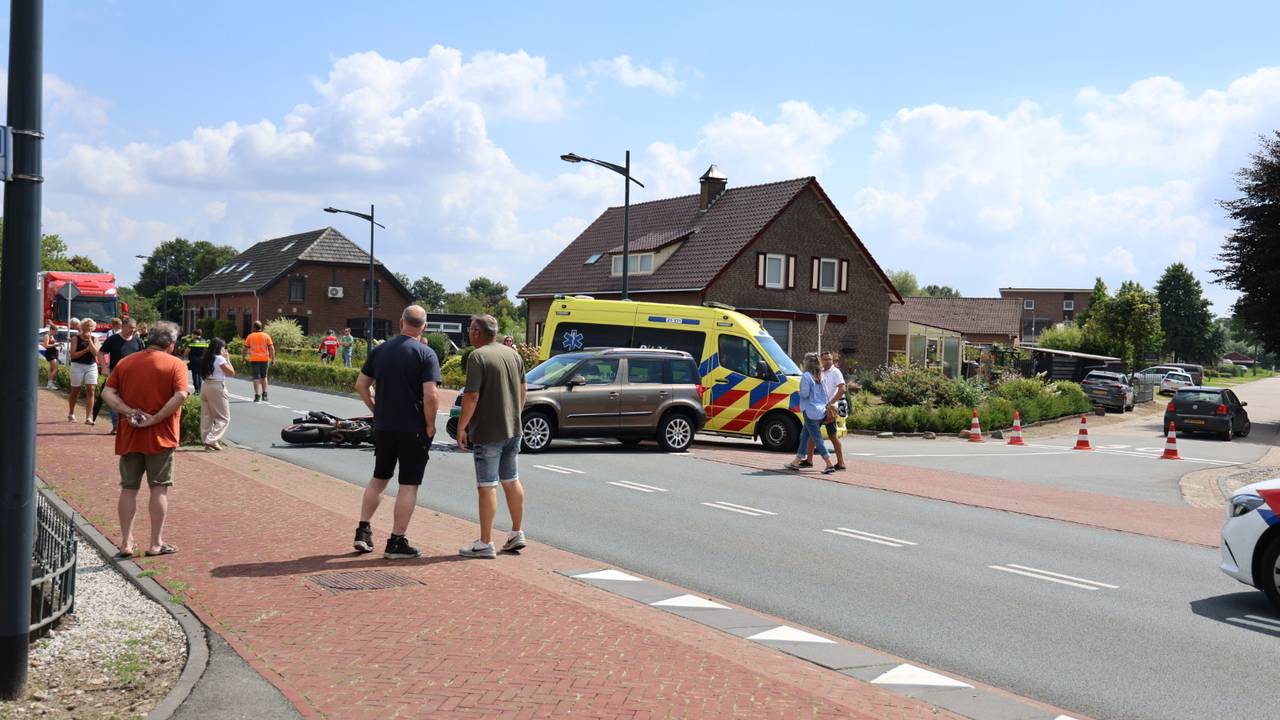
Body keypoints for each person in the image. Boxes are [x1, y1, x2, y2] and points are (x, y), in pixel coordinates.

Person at [352, 306, 440, 559]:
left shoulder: (380, 350)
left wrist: (375, 408)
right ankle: (396, 541)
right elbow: (431, 394)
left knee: (379, 478)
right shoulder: (426, 354)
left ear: (401, 322)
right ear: (424, 326)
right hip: (413, 428)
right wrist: (430, 424)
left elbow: (361, 384)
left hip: (384, 426)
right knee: (408, 484)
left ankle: (363, 530)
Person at [100, 322, 189, 558]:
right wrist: (155, 418)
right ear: (171, 344)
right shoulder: (176, 364)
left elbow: (107, 392)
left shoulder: (126, 362)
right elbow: (181, 395)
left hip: (130, 434)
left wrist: (129, 412)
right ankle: (155, 543)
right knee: (159, 488)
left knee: (128, 488)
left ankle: (126, 543)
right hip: (162, 436)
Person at [456, 315, 527, 559]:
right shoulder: (513, 355)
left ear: (477, 332)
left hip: (487, 431)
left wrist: (462, 427)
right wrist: (515, 415)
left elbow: (471, 396)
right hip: (513, 429)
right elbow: (523, 389)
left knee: (487, 486)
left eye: (470, 329)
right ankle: (517, 532)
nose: (468, 333)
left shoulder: (477, 357)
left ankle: (485, 542)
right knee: (511, 479)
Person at [785, 353, 836, 474]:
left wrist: (799, 392)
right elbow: (825, 394)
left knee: (817, 439)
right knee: (804, 435)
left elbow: (805, 394)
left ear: (807, 363)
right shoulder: (821, 375)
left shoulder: (807, 376)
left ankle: (829, 464)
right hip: (821, 411)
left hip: (810, 411)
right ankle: (796, 461)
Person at [96, 317, 144, 434]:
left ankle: (130, 423)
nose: (132, 330)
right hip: (116, 373)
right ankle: (116, 425)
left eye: (134, 328)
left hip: (133, 375)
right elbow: (100, 353)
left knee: (132, 399)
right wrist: (105, 367)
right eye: (130, 328)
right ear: (123, 326)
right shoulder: (113, 339)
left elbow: (143, 356)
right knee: (114, 398)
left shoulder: (137, 341)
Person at [802, 351, 847, 470]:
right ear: (820, 360)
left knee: (833, 436)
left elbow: (842, 389)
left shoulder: (835, 372)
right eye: (825, 359)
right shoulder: (819, 371)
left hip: (829, 410)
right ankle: (809, 460)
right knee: (812, 433)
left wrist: (831, 403)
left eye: (830, 359)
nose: (828, 361)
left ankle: (841, 463)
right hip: (818, 408)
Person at [196, 338, 236, 450]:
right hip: (217, 386)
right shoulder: (220, 359)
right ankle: (211, 439)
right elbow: (231, 372)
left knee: (207, 415)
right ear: (219, 348)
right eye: (223, 347)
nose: (224, 350)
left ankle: (206, 440)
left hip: (205, 386)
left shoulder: (206, 358)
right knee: (224, 418)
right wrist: (227, 359)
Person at [67, 318, 101, 424]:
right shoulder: (75, 338)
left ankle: (88, 417)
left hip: (91, 366)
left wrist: (90, 340)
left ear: (93, 328)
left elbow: (96, 353)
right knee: (75, 390)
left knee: (91, 389)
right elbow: (73, 355)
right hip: (77, 365)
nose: (89, 328)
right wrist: (86, 350)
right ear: (82, 327)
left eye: (91, 326)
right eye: (86, 325)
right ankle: (71, 413)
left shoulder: (95, 339)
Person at [243, 321, 275, 402]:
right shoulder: (266, 336)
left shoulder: (250, 336)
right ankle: (264, 395)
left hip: (254, 359)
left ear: (254, 327)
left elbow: (245, 349)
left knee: (256, 377)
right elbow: (271, 348)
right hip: (264, 359)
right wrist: (273, 359)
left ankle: (257, 396)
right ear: (261, 327)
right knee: (264, 377)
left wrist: (243, 358)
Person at [184, 329, 209, 394]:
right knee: (200, 375)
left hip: (194, 360)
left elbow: (187, 351)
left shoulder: (193, 341)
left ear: (195, 334)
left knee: (195, 374)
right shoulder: (204, 341)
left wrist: (184, 357)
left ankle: (196, 390)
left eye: (192, 334)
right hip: (202, 360)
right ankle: (199, 389)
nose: (192, 336)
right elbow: (207, 351)